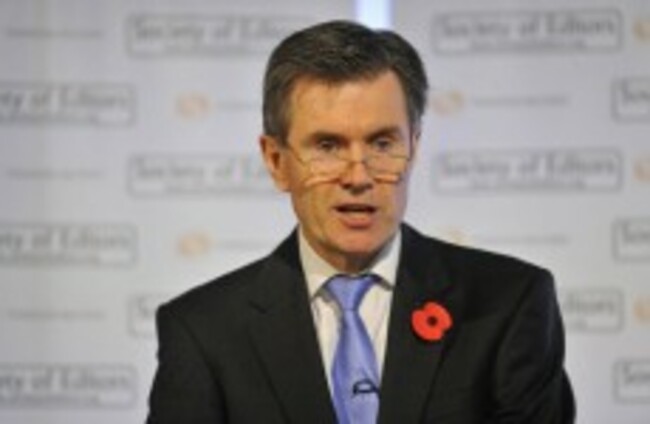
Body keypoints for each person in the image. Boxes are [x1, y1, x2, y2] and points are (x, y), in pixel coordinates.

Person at [146, 20, 575, 423]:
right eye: (328, 146)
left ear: (414, 148)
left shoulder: (508, 303)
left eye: (382, 143)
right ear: (276, 161)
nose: (358, 176)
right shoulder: (203, 331)